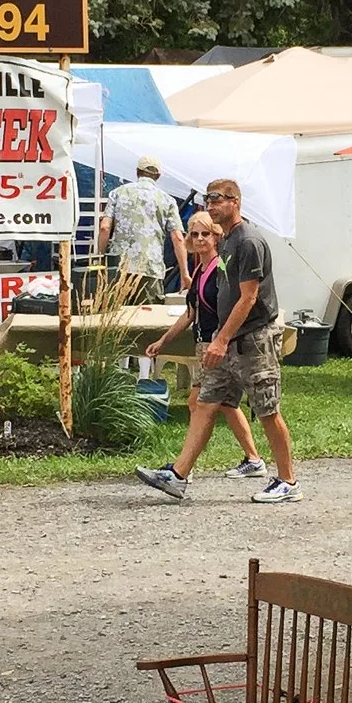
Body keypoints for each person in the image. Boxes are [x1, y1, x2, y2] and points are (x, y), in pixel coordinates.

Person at [134, 178, 297, 502]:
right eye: (207, 199)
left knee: (267, 410)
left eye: (216, 199)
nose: (209, 204)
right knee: (205, 404)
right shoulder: (228, 242)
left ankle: (288, 482)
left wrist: (220, 340)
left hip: (252, 340)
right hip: (225, 342)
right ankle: (178, 476)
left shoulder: (249, 242)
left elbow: (248, 298)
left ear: (235, 202)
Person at [142, 212, 268, 480]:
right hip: (204, 343)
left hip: (217, 344)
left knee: (204, 403)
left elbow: (242, 299)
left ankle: (182, 470)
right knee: (220, 403)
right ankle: (251, 459)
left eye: (205, 234)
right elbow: (190, 312)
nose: (199, 240)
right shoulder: (198, 269)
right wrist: (164, 340)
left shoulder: (221, 267)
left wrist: (222, 339)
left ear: (216, 236)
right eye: (195, 234)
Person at [99, 156, 186, 294]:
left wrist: (100, 257)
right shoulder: (167, 200)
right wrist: (184, 273)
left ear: (137, 171)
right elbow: (178, 238)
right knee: (148, 313)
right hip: (150, 269)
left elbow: (104, 227)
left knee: (117, 314)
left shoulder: (117, 193)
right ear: (158, 176)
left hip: (119, 267)